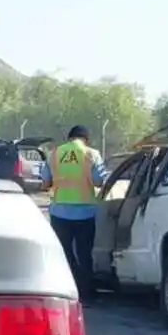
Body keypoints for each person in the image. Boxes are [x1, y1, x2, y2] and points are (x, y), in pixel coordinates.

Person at [44, 125, 108, 295]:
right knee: (84, 253)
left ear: (69, 138)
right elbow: (99, 181)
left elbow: (45, 182)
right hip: (85, 211)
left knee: (62, 253)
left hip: (59, 211)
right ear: (85, 139)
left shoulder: (54, 154)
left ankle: (65, 289)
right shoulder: (92, 154)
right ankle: (86, 291)